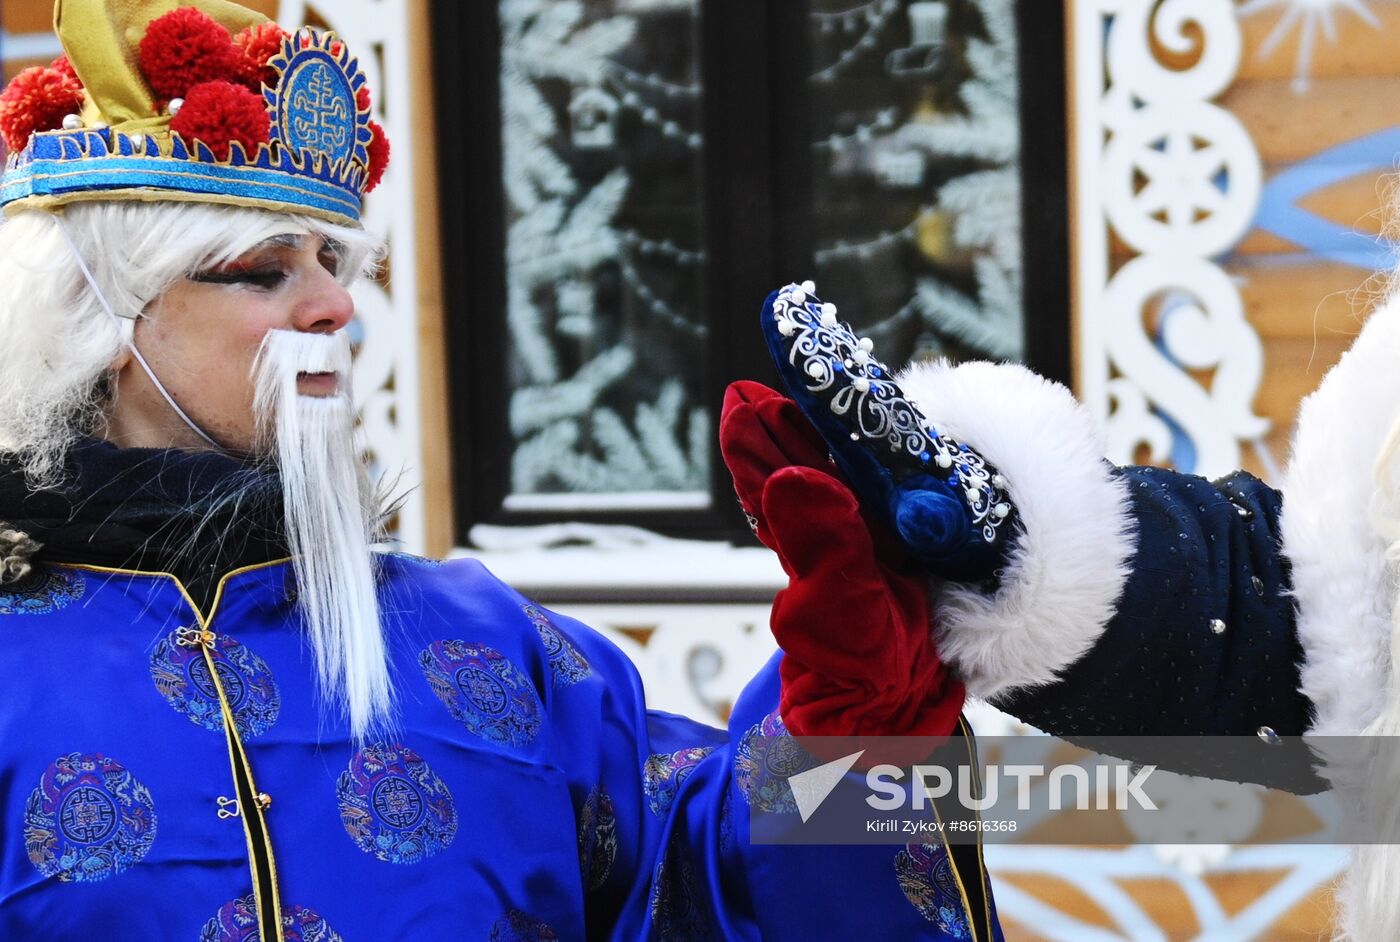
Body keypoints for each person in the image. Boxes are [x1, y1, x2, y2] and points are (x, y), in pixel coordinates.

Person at [0, 1, 991, 939]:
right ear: (107, 323)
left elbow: (708, 880)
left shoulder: (488, 648)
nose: (334, 309)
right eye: (267, 269)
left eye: (331, 265)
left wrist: (850, 717)